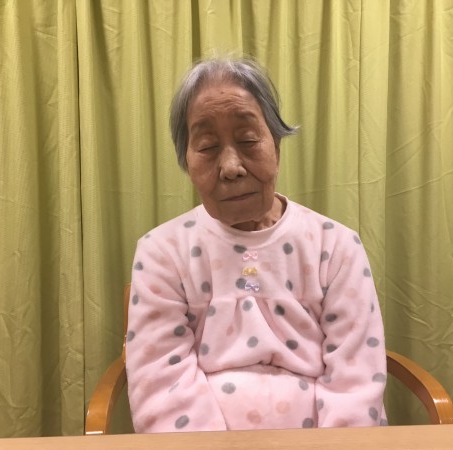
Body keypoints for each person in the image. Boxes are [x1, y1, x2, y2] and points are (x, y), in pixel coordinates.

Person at [126, 56, 386, 433]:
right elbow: (161, 386)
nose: (231, 167)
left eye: (248, 140)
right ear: (186, 162)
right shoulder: (161, 253)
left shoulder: (337, 246)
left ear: (276, 146)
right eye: (207, 147)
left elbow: (356, 380)